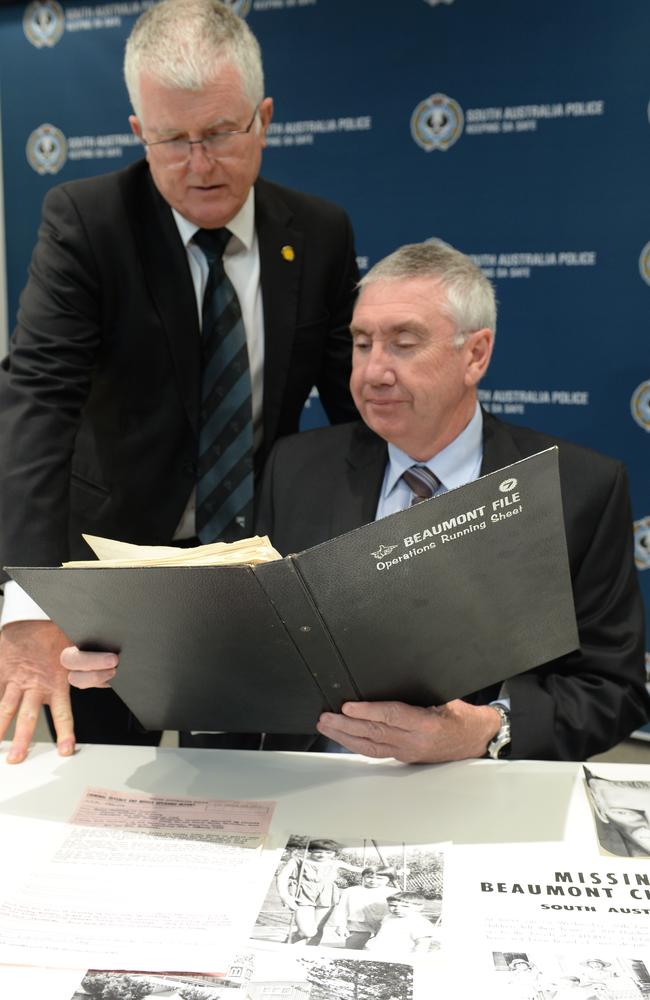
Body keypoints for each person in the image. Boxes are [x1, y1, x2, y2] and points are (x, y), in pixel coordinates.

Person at [61, 239, 649, 761]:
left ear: (476, 355)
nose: (373, 372)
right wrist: (145, 660)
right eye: (362, 344)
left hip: (474, 790)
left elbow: (612, 689)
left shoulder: (574, 488)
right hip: (309, 788)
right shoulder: (298, 467)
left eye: (404, 343)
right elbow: (249, 648)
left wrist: (487, 731)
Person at [0, 0, 358, 763]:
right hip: (108, 572)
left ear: (264, 118)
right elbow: (36, 404)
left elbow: (355, 415)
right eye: (172, 140)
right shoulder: (87, 223)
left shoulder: (320, 235)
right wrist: (30, 601)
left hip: (249, 574)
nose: (201, 165)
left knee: (242, 792)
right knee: (86, 780)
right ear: (138, 132)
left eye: (222, 133)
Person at [275, 839, 363, 946]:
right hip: (303, 895)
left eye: (328, 853)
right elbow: (282, 877)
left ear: (335, 853)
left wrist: (385, 870)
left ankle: (309, 954)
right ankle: (288, 942)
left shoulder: (336, 863)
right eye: (318, 852)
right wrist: (285, 896)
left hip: (326, 896)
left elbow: (363, 870)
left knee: (318, 929)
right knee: (307, 932)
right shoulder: (299, 861)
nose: (323, 855)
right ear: (311, 850)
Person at [331, 866, 398, 949]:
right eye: (369, 877)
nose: (373, 881)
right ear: (363, 877)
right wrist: (341, 926)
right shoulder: (351, 891)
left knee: (383, 949)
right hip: (358, 924)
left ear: (389, 879)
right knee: (352, 949)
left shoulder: (394, 892)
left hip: (384, 924)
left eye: (379, 878)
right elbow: (342, 909)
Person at [363, 892, 435, 955]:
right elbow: (381, 934)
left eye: (405, 906)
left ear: (419, 908)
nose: (397, 908)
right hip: (377, 951)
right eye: (392, 905)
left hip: (400, 954)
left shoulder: (419, 922)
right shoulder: (388, 917)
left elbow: (422, 944)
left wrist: (414, 959)